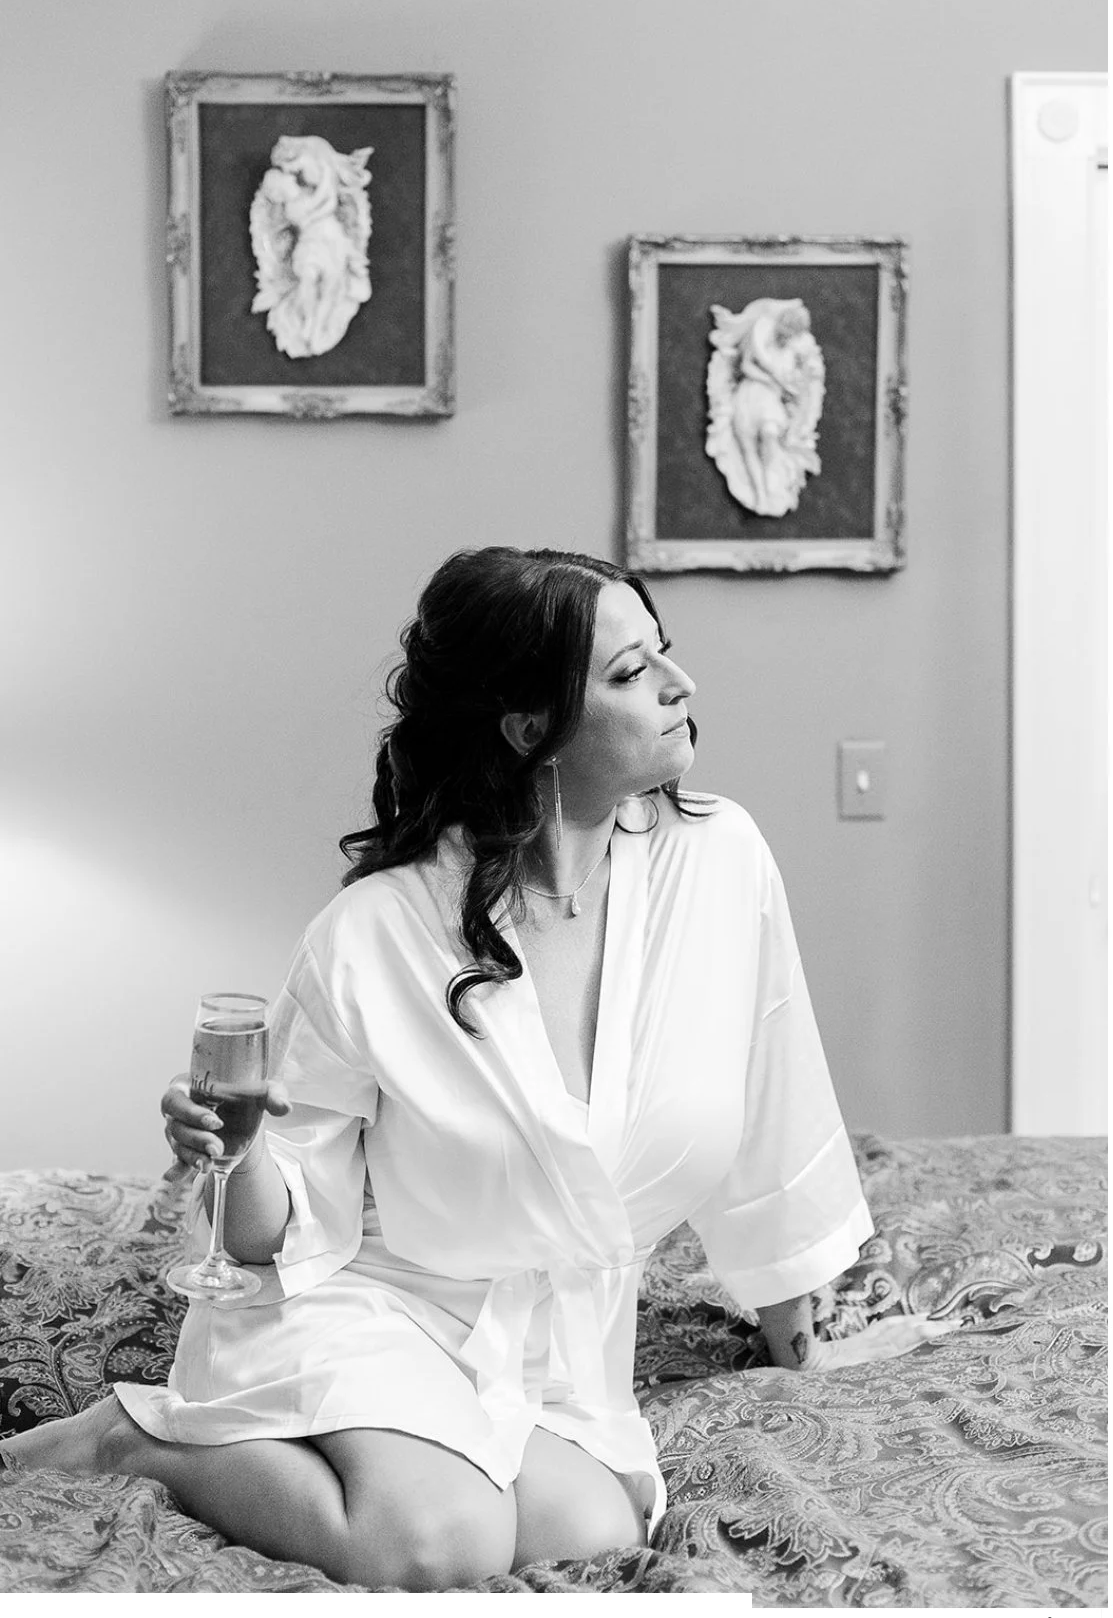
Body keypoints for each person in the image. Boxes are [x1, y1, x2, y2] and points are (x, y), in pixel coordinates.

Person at [0, 546, 954, 1589]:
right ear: (528, 724)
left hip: (558, 1346)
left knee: (594, 1531)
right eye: (632, 674)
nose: (683, 688)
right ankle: (130, 1438)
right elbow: (276, 1236)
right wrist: (241, 1152)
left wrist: (805, 1324)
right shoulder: (374, 932)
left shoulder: (719, 864)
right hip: (369, 1300)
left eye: (663, 655)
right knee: (438, 1541)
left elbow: (775, 1111)